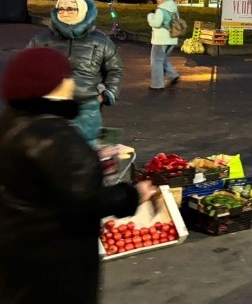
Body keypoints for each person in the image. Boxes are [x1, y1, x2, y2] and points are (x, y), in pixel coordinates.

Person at [0, 47, 157, 303]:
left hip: (19, 250)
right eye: (67, 77)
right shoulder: (55, 134)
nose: (72, 83)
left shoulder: (12, 121)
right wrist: (133, 194)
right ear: (54, 85)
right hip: (57, 259)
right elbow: (88, 200)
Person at [27, 0, 123, 146]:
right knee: (48, 153)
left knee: (83, 154)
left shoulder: (101, 41)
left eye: (71, 9)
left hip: (86, 109)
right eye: (61, 9)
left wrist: (106, 95)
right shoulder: (42, 40)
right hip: (50, 108)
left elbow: (115, 70)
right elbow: (26, 69)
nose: (64, 13)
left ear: (83, 11)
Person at [147, 0, 181, 90]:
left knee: (156, 61)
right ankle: (173, 75)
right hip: (172, 39)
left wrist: (150, 16)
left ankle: (157, 84)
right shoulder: (174, 9)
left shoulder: (161, 10)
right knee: (163, 58)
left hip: (161, 39)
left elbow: (156, 23)